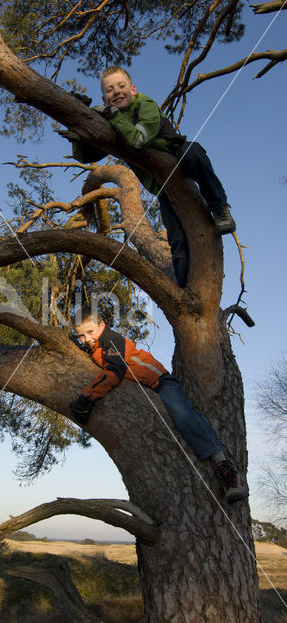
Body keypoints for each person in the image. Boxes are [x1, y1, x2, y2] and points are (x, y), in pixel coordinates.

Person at [62, 66, 236, 288]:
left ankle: (220, 207)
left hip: (178, 159)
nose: (116, 92)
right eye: (110, 90)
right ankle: (183, 291)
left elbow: (138, 141)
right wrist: (76, 119)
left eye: (121, 86)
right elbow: (85, 155)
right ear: (104, 99)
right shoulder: (112, 121)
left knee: (192, 152)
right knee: (177, 241)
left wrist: (112, 117)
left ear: (133, 89)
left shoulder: (146, 105)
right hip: (163, 188)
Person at [70, 305, 248, 504]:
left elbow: (114, 372)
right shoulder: (93, 348)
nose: (86, 339)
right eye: (81, 336)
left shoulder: (112, 340)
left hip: (162, 383)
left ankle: (223, 465)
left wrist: (86, 399)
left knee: (182, 414)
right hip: (145, 390)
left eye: (90, 332)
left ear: (102, 326)